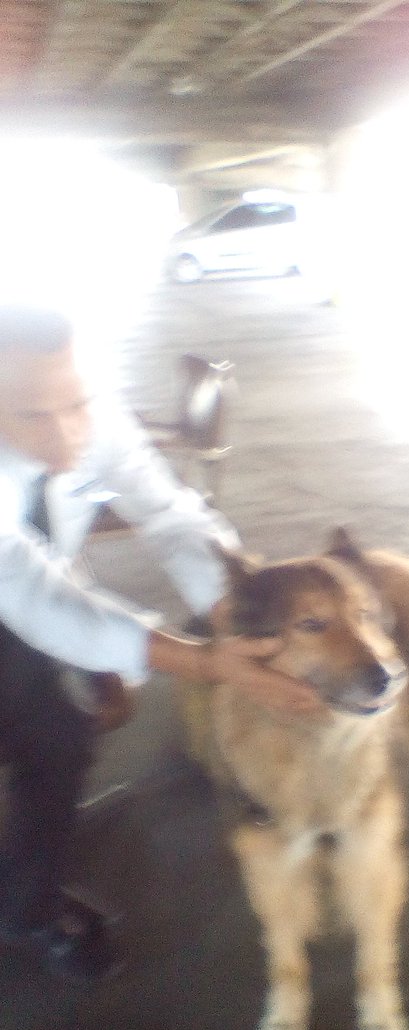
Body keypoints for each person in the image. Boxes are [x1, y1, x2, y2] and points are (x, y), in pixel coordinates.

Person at [0, 306, 321, 982]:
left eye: (76, 405)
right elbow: (32, 593)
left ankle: (28, 907)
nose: (66, 436)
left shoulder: (95, 415)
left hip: (32, 593)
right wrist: (199, 661)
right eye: (32, 416)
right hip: (18, 589)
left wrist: (235, 613)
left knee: (58, 737)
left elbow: (170, 515)